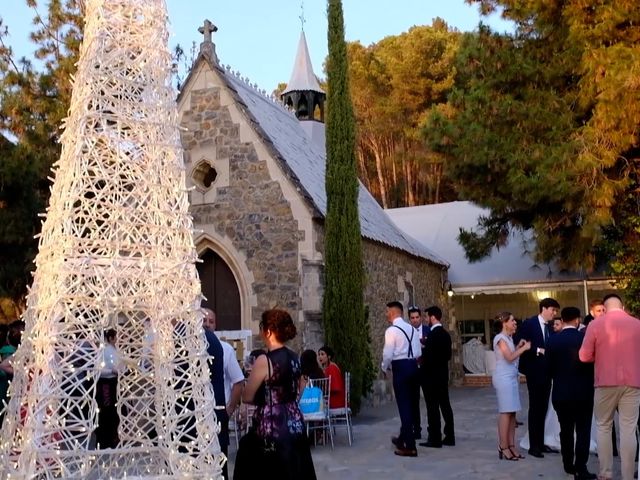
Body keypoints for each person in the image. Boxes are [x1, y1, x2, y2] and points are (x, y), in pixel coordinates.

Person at [234, 309, 316, 480]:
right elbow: (300, 388)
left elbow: (247, 396)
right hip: (295, 424)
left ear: (269, 332)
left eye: (262, 327)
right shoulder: (295, 357)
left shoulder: (265, 361)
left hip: (272, 428)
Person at [579, 294, 640, 480]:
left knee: (603, 426)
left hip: (604, 382)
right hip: (633, 383)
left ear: (604, 309)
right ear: (622, 307)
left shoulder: (595, 325)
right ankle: (628, 475)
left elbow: (584, 356)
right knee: (628, 429)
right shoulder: (637, 324)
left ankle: (606, 473)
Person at [546, 307, 596, 479]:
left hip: (562, 393)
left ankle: (568, 464)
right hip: (584, 392)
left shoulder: (552, 341)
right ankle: (581, 467)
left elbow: (549, 370)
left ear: (564, 319)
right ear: (577, 320)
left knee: (565, 430)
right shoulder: (584, 338)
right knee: (583, 431)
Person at [514, 297, 560, 458]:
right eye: (553, 310)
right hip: (534, 372)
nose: (554, 314)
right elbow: (519, 342)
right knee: (535, 408)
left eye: (556, 311)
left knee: (543, 409)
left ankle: (541, 443)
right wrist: (538, 350)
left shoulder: (551, 327)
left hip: (548, 373)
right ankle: (534, 446)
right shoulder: (530, 324)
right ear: (544, 308)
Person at [382, 301, 421, 457]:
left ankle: (410, 446)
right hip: (413, 366)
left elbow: (388, 353)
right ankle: (402, 437)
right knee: (411, 405)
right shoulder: (412, 329)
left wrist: (384, 367)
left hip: (401, 368)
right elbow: (418, 352)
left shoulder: (391, 330)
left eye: (386, 311)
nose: (385, 314)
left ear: (392, 312)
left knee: (404, 406)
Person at [492, 312, 531, 461]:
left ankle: (511, 445)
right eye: (512, 320)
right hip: (503, 379)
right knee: (505, 412)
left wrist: (517, 346)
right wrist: (524, 348)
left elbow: (510, 353)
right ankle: (503, 446)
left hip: (511, 377)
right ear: (504, 323)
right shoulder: (499, 338)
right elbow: (509, 357)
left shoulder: (508, 338)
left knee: (512, 413)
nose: (515, 323)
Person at [419, 305, 455, 448]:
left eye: (427, 317)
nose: (426, 319)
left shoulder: (432, 336)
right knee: (445, 405)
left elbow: (427, 358)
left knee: (432, 407)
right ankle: (450, 435)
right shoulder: (446, 335)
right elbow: (448, 356)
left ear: (433, 317)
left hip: (431, 377)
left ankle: (435, 437)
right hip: (442, 375)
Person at [202, 308, 244, 419]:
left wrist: (229, 410)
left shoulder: (226, 349)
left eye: (211, 321)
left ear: (215, 325)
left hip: (218, 410)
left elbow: (238, 381)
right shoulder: (189, 350)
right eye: (203, 320)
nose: (207, 324)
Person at [95, 328, 123, 449]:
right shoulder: (104, 351)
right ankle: (105, 440)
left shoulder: (113, 350)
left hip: (113, 383)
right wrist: (112, 370)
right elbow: (98, 370)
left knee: (113, 411)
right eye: (116, 337)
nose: (117, 339)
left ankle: (112, 438)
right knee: (106, 411)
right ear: (111, 338)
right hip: (106, 384)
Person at [408, 306, 424, 439]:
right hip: (413, 370)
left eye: (417, 317)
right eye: (412, 318)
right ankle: (416, 429)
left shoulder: (428, 331)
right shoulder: (407, 332)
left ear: (421, 317)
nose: (415, 320)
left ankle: (434, 431)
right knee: (414, 401)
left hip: (426, 370)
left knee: (432, 402)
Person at [317, 345, 345, 409]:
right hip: (331, 399)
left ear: (329, 356)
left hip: (335, 400)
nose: (320, 357)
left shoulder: (332, 368)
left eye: (322, 354)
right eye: (319, 354)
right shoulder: (326, 368)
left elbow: (335, 388)